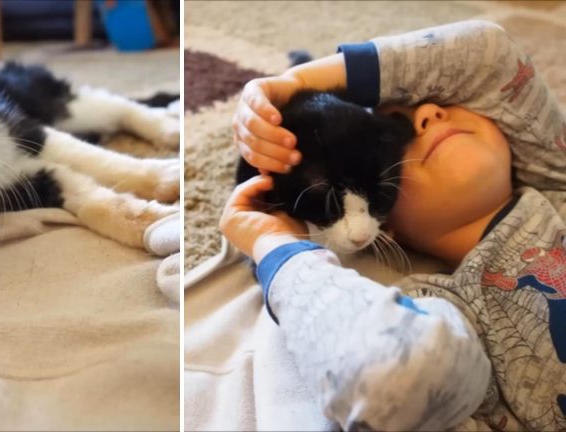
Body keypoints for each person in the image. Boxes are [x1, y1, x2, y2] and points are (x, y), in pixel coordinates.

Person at [222, 20, 566, 430]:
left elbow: (492, 54)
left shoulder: (554, 173)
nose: (427, 114)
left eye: (447, 101)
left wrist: (292, 83)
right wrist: (275, 247)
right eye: (401, 123)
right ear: (388, 230)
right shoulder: (441, 307)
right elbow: (388, 374)